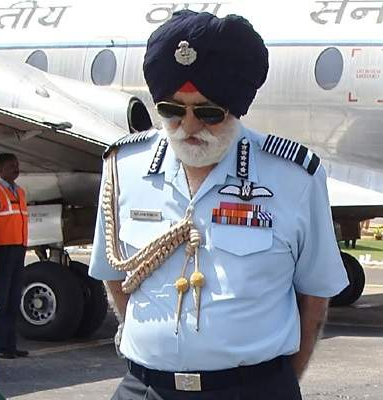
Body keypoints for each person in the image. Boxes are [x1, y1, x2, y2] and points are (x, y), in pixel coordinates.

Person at [89, 11, 349, 400]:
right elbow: (115, 274)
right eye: (172, 110)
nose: (189, 127)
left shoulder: (294, 178)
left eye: (208, 113)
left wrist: (267, 384)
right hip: (146, 389)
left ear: (236, 107)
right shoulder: (122, 169)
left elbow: (314, 300)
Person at [0, 153, 29, 359]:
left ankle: (11, 345)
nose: (16, 169)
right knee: (0, 301)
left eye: (17, 165)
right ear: (1, 168)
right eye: (12, 166)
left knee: (13, 300)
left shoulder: (20, 192)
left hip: (18, 250)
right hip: (2, 251)